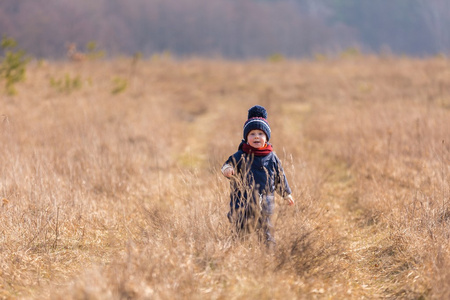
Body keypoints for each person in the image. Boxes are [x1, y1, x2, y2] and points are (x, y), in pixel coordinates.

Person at [221, 105, 294, 247]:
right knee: (240, 230)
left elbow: (280, 176)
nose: (256, 137)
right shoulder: (241, 154)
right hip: (242, 202)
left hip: (265, 202)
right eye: (252, 134)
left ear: (266, 137)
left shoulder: (271, 157)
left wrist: (286, 194)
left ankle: (268, 255)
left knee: (266, 231)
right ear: (246, 137)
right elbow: (227, 164)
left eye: (260, 134)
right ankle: (238, 251)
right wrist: (228, 169)